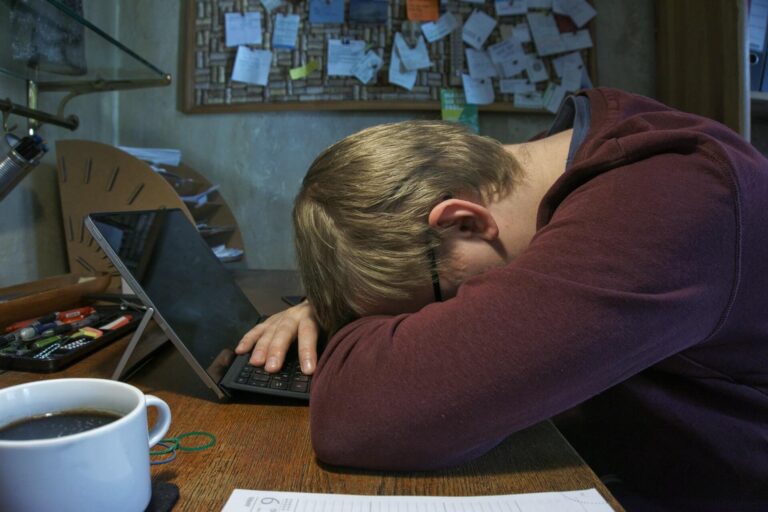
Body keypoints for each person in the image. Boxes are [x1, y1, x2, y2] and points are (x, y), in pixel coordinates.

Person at [236, 87, 768, 511]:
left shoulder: (663, 205)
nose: (428, 325)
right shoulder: (566, 155)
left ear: (464, 221)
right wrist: (330, 303)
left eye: (426, 310)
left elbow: (361, 417)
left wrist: (352, 334)